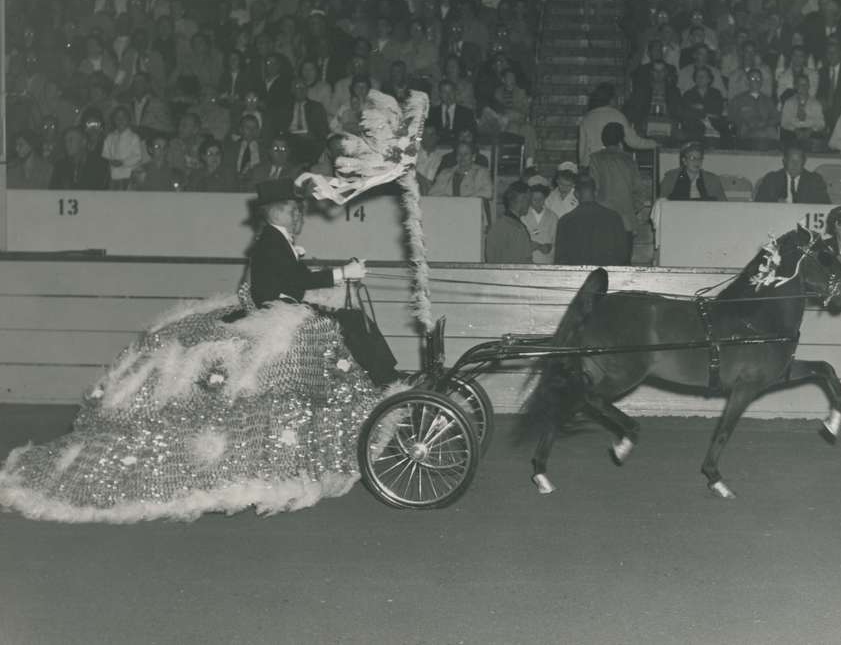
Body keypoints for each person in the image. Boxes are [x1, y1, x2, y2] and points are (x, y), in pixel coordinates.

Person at [0, 179, 390, 523]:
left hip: (278, 311)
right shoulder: (271, 241)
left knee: (342, 324)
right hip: (274, 318)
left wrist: (317, 270)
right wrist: (341, 273)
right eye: (292, 208)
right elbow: (288, 281)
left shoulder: (278, 241)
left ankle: (378, 385)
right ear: (274, 211)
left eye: (298, 209)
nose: (298, 214)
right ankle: (385, 379)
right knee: (340, 327)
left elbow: (286, 278)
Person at [589, 123, 644, 263]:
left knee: (602, 263)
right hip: (626, 222)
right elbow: (639, 192)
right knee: (624, 263)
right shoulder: (629, 160)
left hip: (602, 221)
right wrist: (631, 210)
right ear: (621, 139)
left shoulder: (595, 159)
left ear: (603, 139)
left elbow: (593, 189)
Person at [578, 83, 656, 169]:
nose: (618, 101)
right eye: (616, 98)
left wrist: (583, 166)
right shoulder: (618, 115)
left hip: (589, 165)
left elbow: (582, 149)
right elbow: (633, 142)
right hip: (609, 166)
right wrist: (654, 143)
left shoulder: (587, 117)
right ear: (611, 99)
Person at [555, 177, 629, 266]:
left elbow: (560, 258)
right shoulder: (614, 217)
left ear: (576, 194)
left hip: (576, 273)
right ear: (596, 193)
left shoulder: (565, 221)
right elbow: (623, 254)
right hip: (605, 272)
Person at [753, 144, 831, 204]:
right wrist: (775, 203)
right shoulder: (771, 179)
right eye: (791, 160)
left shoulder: (815, 180)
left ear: (804, 162)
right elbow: (758, 203)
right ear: (784, 161)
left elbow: (825, 205)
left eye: (798, 161)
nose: (795, 165)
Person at [484, 181, 533, 263]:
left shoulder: (496, 226)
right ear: (522, 198)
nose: (530, 204)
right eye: (529, 200)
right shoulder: (518, 229)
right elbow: (524, 263)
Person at [660, 142, 727, 201]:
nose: (697, 161)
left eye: (699, 158)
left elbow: (723, 205)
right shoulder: (670, 178)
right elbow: (660, 204)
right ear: (684, 161)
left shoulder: (712, 180)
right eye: (692, 158)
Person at [101, 106, 145, 191]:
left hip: (129, 175)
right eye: (117, 117)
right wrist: (110, 161)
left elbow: (137, 156)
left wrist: (123, 162)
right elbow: (106, 153)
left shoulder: (134, 137)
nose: (120, 120)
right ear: (114, 120)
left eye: (123, 117)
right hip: (114, 175)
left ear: (129, 120)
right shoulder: (110, 137)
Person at [521, 175, 559, 264]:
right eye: (534, 199)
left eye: (541, 199)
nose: (538, 202)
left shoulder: (553, 217)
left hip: (547, 261)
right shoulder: (522, 216)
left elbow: (556, 241)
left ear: (545, 198)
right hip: (526, 261)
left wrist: (549, 247)